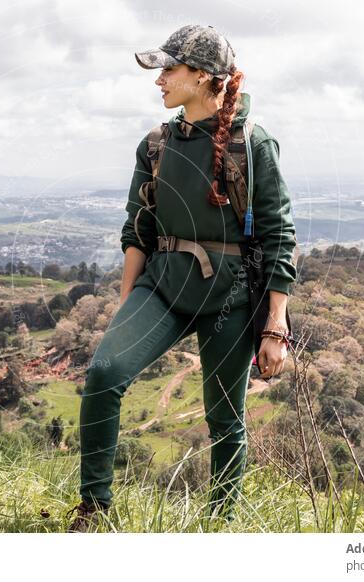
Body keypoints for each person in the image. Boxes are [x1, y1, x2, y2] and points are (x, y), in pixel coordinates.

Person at [66, 24, 297, 532]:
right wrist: (127, 304)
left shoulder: (254, 145)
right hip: (163, 285)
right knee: (105, 375)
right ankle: (94, 511)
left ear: (203, 76)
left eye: (169, 69)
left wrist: (275, 326)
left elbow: (279, 237)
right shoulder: (154, 145)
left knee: (224, 418)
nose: (160, 80)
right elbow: (137, 230)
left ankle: (220, 526)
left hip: (231, 298)